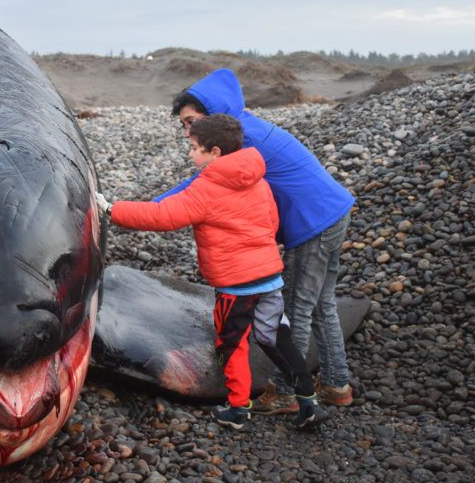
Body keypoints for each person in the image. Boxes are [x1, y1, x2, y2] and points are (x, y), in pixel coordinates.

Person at [96, 114, 328, 431]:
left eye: (194, 148)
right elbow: (271, 223)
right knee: (276, 338)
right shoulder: (258, 180)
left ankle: (237, 409)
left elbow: (163, 216)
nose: (191, 154)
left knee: (230, 345)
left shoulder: (206, 188)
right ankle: (308, 401)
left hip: (236, 287)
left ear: (215, 152)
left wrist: (111, 208)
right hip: (269, 280)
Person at [159, 69, 355, 414]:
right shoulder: (245, 128)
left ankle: (284, 392)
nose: (188, 132)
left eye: (191, 121)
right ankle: (337, 384)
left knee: (294, 312)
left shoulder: (242, 141)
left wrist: (144, 209)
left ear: (212, 112)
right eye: (184, 126)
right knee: (321, 305)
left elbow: (198, 188)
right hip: (333, 212)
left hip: (314, 225)